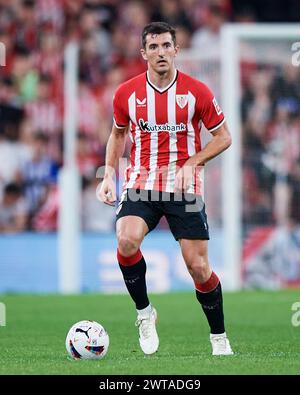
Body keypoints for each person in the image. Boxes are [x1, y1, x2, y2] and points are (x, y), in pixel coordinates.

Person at [99, 22, 233, 356]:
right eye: (154, 47)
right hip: (141, 182)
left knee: (198, 267)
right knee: (126, 240)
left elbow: (224, 136)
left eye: (166, 46)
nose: (161, 52)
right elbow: (117, 135)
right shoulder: (126, 94)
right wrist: (108, 176)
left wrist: (193, 162)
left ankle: (219, 337)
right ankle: (144, 313)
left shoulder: (197, 92)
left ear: (176, 49)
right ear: (143, 53)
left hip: (184, 187)